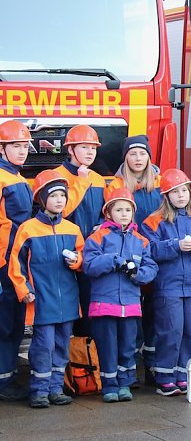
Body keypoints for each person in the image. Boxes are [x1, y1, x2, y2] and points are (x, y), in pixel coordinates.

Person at [7, 170, 84, 409]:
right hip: (42, 300)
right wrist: (24, 289)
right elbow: (16, 264)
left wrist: (77, 261)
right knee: (43, 346)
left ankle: (55, 389)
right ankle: (39, 391)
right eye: (54, 196)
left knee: (62, 346)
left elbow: (83, 257)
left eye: (63, 195)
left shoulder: (72, 229)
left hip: (68, 300)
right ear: (42, 199)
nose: (60, 200)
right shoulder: (28, 229)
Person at [140, 169, 191, 395]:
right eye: (175, 192)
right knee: (171, 331)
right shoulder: (153, 222)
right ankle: (165, 376)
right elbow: (150, 249)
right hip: (168, 286)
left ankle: (183, 374)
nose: (181, 195)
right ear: (166, 196)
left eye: (184, 190)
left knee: (190, 332)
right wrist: (175, 245)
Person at [83, 188, 158, 403]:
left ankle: (125, 384)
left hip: (131, 305)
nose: (124, 214)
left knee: (127, 347)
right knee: (107, 348)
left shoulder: (141, 241)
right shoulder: (97, 237)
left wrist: (137, 274)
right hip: (103, 305)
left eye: (128, 209)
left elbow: (151, 268)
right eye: (119, 209)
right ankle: (109, 386)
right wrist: (112, 260)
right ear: (108, 212)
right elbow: (89, 266)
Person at [104, 134, 163, 384]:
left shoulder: (161, 182)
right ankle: (131, 367)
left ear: (149, 156)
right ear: (125, 157)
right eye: (133, 153)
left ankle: (151, 365)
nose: (138, 158)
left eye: (142, 153)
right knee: (131, 316)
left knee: (154, 313)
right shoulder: (115, 184)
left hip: (155, 253)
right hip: (127, 254)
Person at [54, 124, 106, 335]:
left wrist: (102, 224)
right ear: (70, 149)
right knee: (65, 308)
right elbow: (61, 211)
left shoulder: (99, 179)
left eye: (93, 148)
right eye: (84, 147)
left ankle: (84, 359)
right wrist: (81, 183)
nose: (90, 152)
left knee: (89, 306)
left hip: (90, 251)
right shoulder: (56, 176)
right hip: (63, 251)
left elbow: (106, 211)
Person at [0, 121, 34, 402]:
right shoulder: (3, 178)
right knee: (5, 323)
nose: (22, 151)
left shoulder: (19, 179)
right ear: (2, 148)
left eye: (25, 146)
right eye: (16, 146)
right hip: (3, 263)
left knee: (12, 322)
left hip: (14, 262)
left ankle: (7, 376)